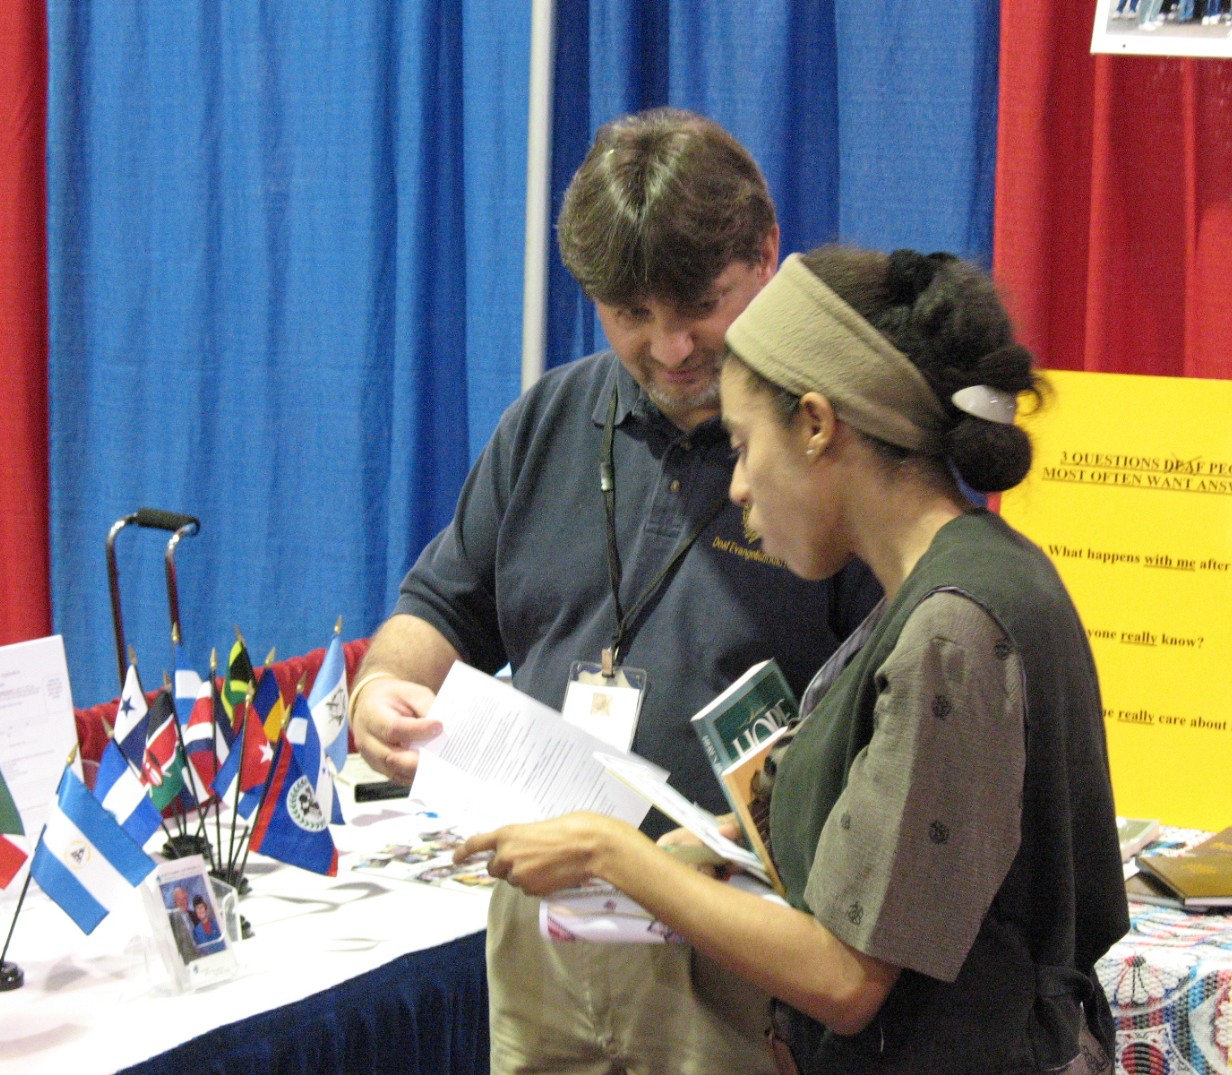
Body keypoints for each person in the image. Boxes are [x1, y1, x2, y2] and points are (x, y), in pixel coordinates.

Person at [456, 244, 1130, 1074]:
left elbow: (845, 977)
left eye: (742, 445)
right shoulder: (967, 578)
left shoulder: (951, 628)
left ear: (816, 424)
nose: (737, 486)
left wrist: (609, 851)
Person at [349, 109, 880, 1074]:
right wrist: (381, 689)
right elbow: (437, 606)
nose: (672, 348)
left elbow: (892, 716)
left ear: (766, 256)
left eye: (700, 308)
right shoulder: (549, 418)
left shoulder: (832, 443)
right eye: (632, 314)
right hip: (541, 933)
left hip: (736, 938)